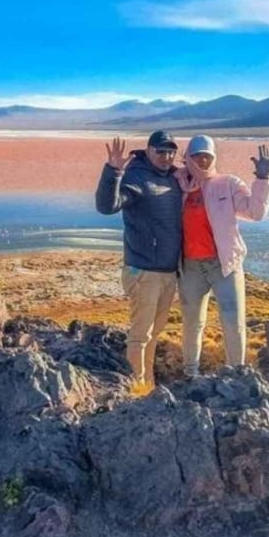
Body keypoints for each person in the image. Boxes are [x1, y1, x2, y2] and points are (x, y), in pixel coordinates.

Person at [174, 135, 269, 374]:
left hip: (224, 264)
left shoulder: (227, 184)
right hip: (190, 267)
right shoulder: (175, 186)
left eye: (207, 157)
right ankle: (191, 373)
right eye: (197, 157)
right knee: (192, 324)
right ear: (187, 158)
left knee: (233, 322)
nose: (202, 162)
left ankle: (237, 374)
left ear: (214, 158)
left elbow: (255, 212)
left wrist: (262, 178)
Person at [95, 130, 184, 386]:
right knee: (140, 335)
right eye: (160, 151)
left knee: (154, 334)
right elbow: (106, 207)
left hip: (168, 271)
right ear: (148, 150)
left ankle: (149, 385)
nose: (166, 156)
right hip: (144, 271)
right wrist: (113, 172)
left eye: (171, 151)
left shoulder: (174, 179)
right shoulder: (136, 175)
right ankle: (136, 387)